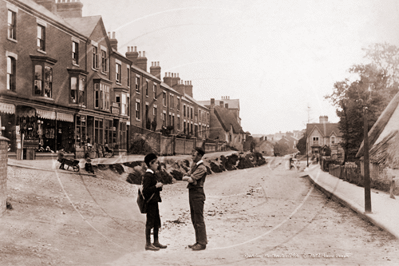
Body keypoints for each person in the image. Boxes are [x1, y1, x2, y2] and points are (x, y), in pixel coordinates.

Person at [182, 147, 208, 251]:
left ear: (200, 156)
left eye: (194, 155)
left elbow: (190, 178)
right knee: (194, 218)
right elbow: (186, 177)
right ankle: (198, 241)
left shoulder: (201, 167)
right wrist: (189, 178)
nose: (192, 156)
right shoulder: (195, 166)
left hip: (197, 194)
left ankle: (202, 243)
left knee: (198, 219)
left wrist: (190, 178)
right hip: (193, 193)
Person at [142, 153, 167, 251]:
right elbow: (145, 190)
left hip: (154, 201)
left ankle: (156, 242)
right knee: (150, 223)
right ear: (150, 163)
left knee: (156, 222)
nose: (157, 165)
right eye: (156, 163)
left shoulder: (152, 174)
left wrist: (158, 186)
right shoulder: (148, 175)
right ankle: (148, 244)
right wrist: (156, 187)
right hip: (150, 203)